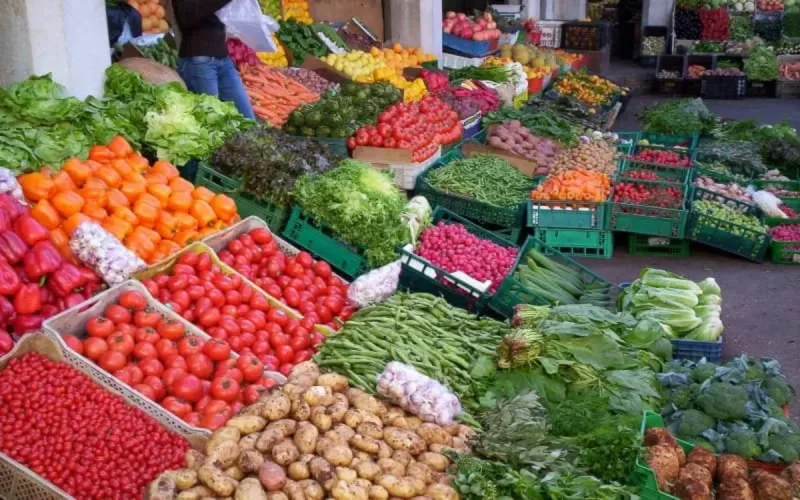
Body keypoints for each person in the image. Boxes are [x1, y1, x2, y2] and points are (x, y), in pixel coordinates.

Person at [170, 0, 255, 118]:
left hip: (223, 58)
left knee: (248, 120)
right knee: (212, 122)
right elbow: (187, 15)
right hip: (198, 60)